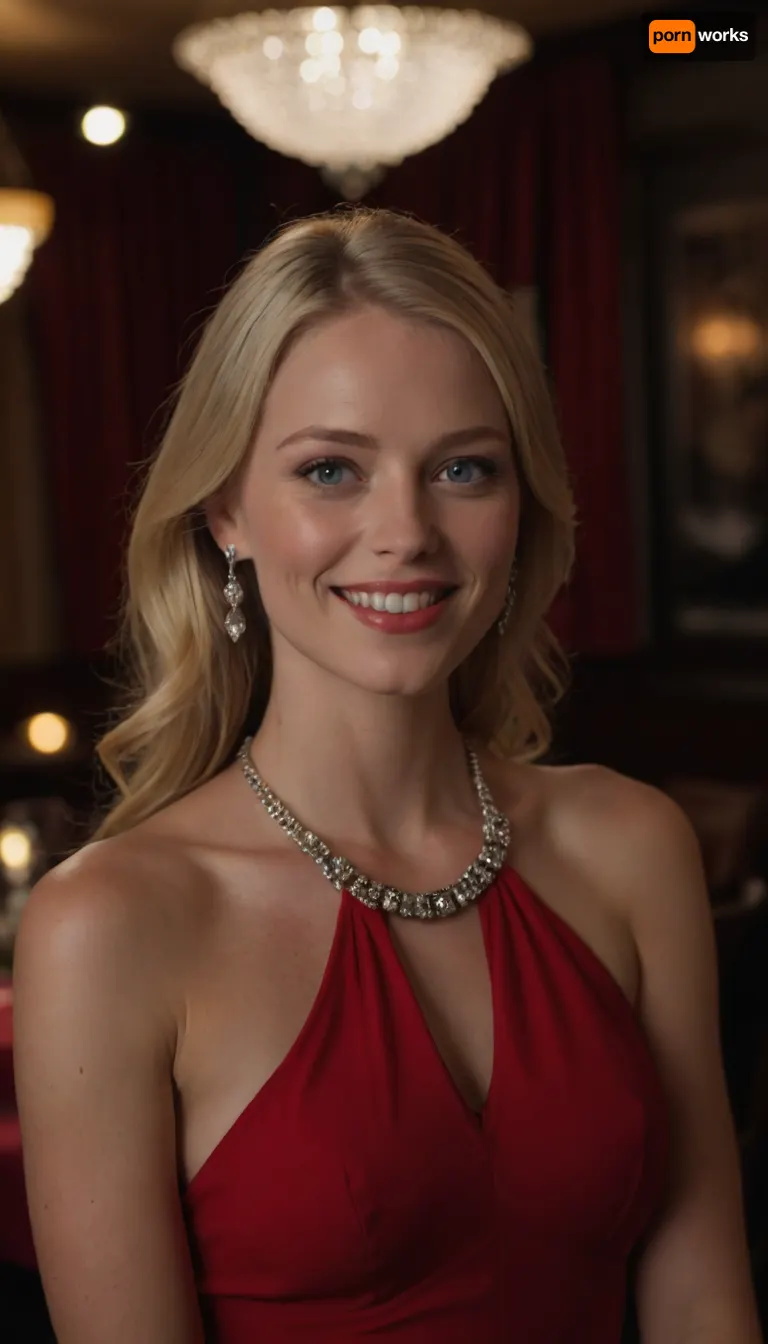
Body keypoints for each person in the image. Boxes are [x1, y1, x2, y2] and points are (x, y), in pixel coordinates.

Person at [12, 206, 761, 1343]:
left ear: (522, 507)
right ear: (226, 513)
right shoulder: (111, 924)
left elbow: (706, 1301)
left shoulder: (630, 845)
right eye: (331, 470)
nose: (406, 530)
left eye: (464, 467)